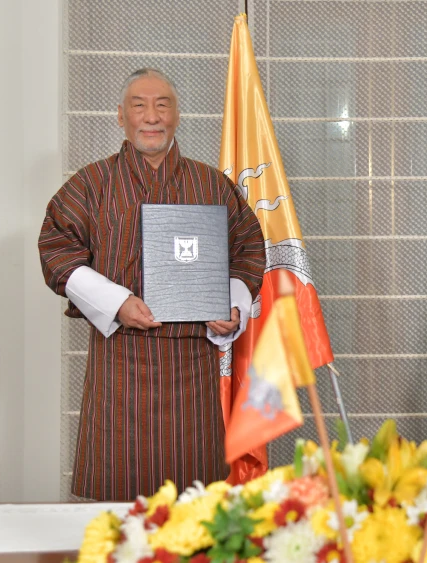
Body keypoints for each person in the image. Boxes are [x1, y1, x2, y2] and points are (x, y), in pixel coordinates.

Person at [38, 68, 266, 501]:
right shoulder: (92, 184)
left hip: (192, 366)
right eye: (139, 105)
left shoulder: (211, 184)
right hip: (119, 365)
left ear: (177, 115)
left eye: (162, 104)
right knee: (118, 512)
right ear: (120, 117)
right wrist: (117, 302)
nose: (151, 116)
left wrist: (231, 304)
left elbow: (248, 248)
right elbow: (56, 247)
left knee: (194, 508)